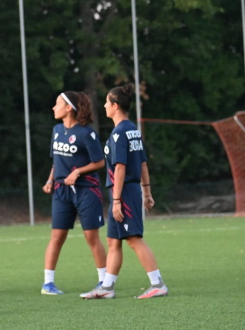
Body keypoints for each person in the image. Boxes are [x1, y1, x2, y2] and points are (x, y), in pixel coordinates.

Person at [80, 83, 167, 299]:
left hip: (124, 192)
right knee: (113, 241)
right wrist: (147, 192)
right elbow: (143, 164)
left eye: (107, 102)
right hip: (125, 191)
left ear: (115, 106)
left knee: (133, 238)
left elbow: (121, 168)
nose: (104, 106)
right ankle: (107, 288)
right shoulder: (133, 130)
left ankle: (157, 284)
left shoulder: (120, 133)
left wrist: (117, 200)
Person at [40, 91, 107, 295]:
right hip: (61, 192)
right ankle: (48, 284)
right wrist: (51, 180)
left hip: (86, 191)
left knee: (91, 237)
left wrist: (78, 171)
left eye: (57, 103)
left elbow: (100, 162)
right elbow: (56, 160)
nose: (54, 107)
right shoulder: (57, 129)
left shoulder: (86, 133)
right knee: (57, 236)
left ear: (69, 108)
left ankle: (104, 282)